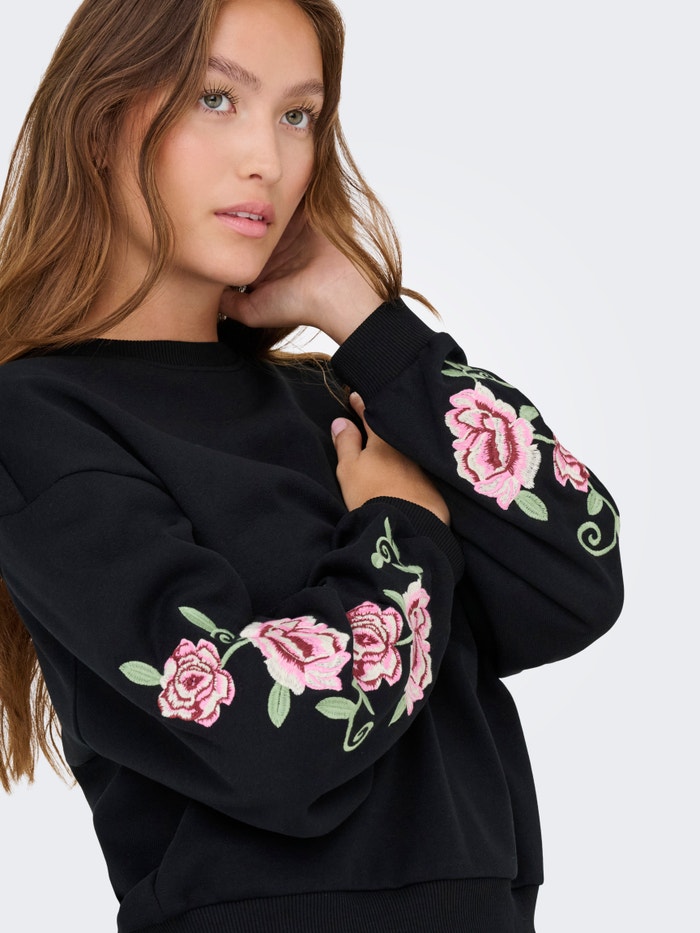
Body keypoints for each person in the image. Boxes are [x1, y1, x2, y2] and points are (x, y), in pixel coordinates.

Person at [0, 0, 624, 930]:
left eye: (298, 114)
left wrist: (361, 316)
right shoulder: (39, 419)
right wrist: (403, 533)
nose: (268, 158)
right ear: (100, 124)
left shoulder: (339, 400)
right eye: (217, 98)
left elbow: (581, 571)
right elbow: (268, 737)